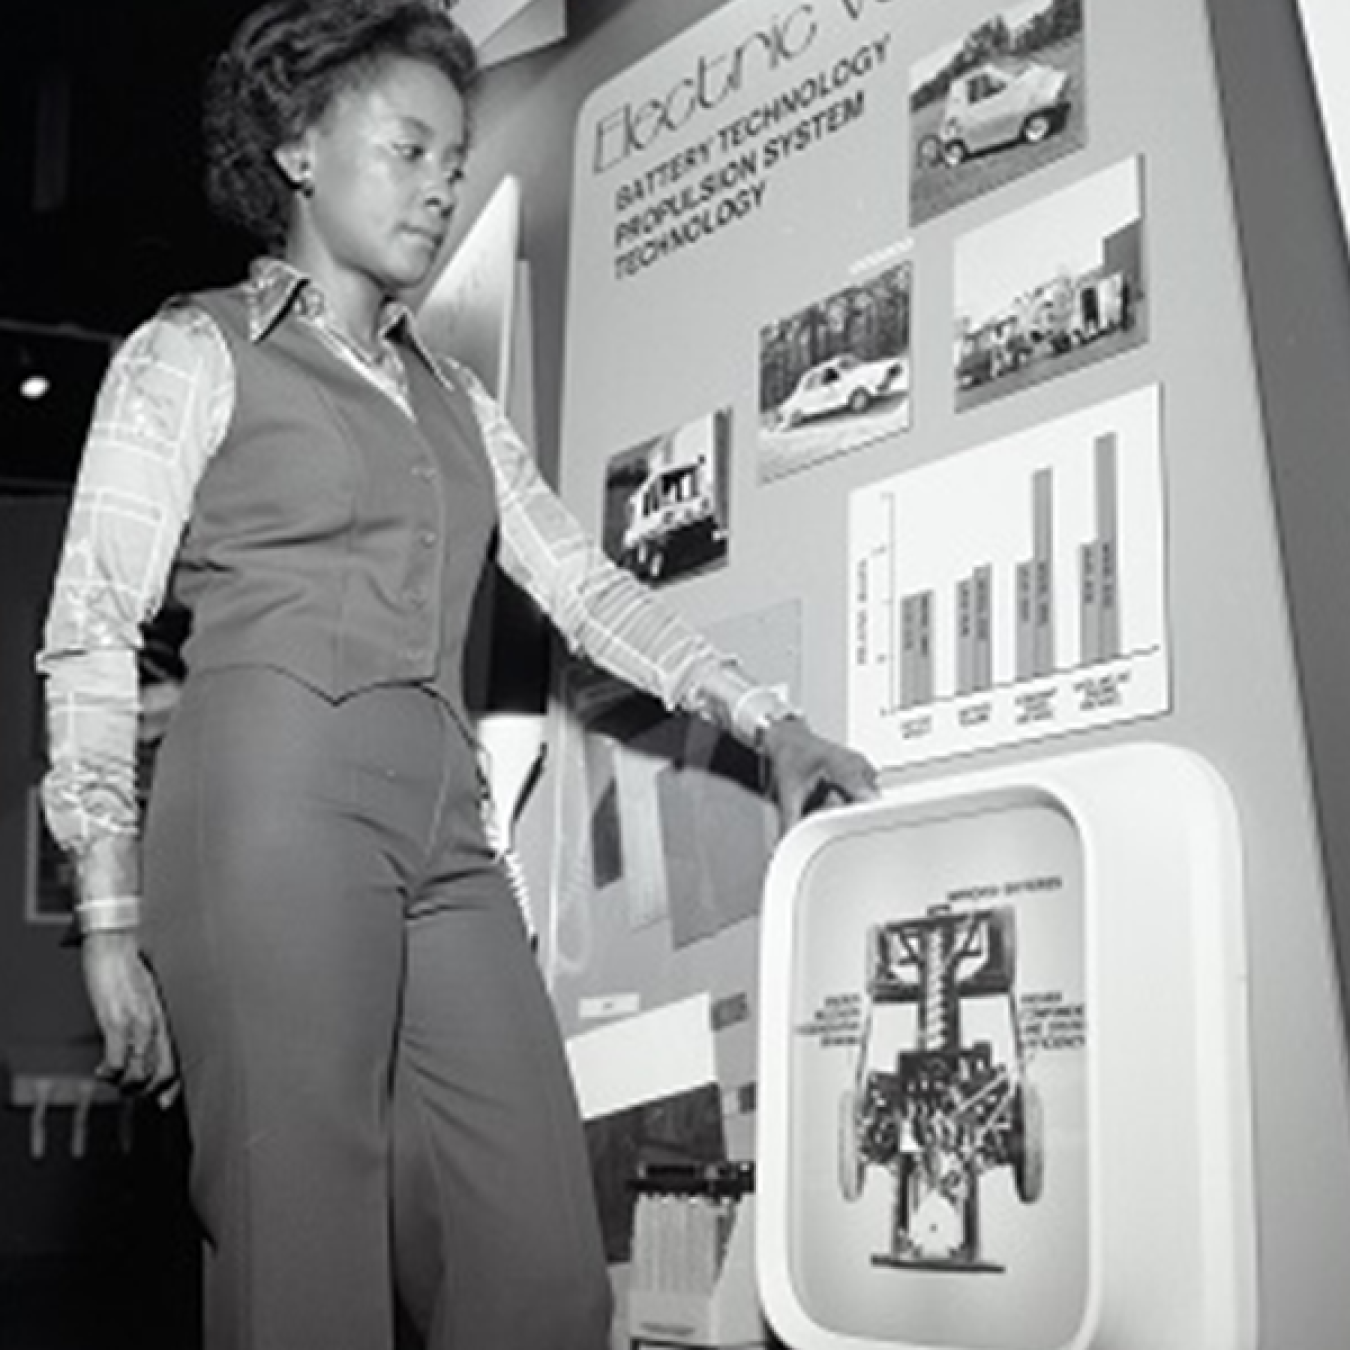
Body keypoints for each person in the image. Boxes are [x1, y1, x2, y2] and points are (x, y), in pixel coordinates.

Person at [36, 2, 880, 1348]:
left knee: (538, 1262)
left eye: (455, 155)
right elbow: (90, 624)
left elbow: (585, 586)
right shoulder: (189, 353)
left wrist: (761, 720)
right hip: (264, 811)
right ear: (300, 148)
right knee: (300, 1261)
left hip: (442, 832)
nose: (444, 181)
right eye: (410, 146)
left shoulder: (455, 399)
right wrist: (106, 903)